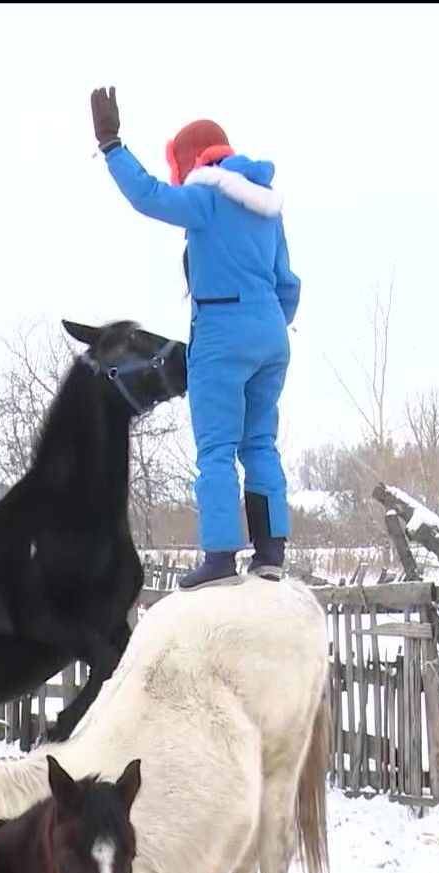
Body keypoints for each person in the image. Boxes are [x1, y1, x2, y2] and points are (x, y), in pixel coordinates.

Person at [89, 86, 300, 589]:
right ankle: (270, 553)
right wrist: (267, 324)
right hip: (272, 336)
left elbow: (148, 195)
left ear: (191, 160)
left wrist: (112, 145)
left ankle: (220, 557)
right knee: (261, 444)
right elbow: (288, 283)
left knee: (216, 448)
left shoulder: (207, 196)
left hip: (221, 335)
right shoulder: (267, 209)